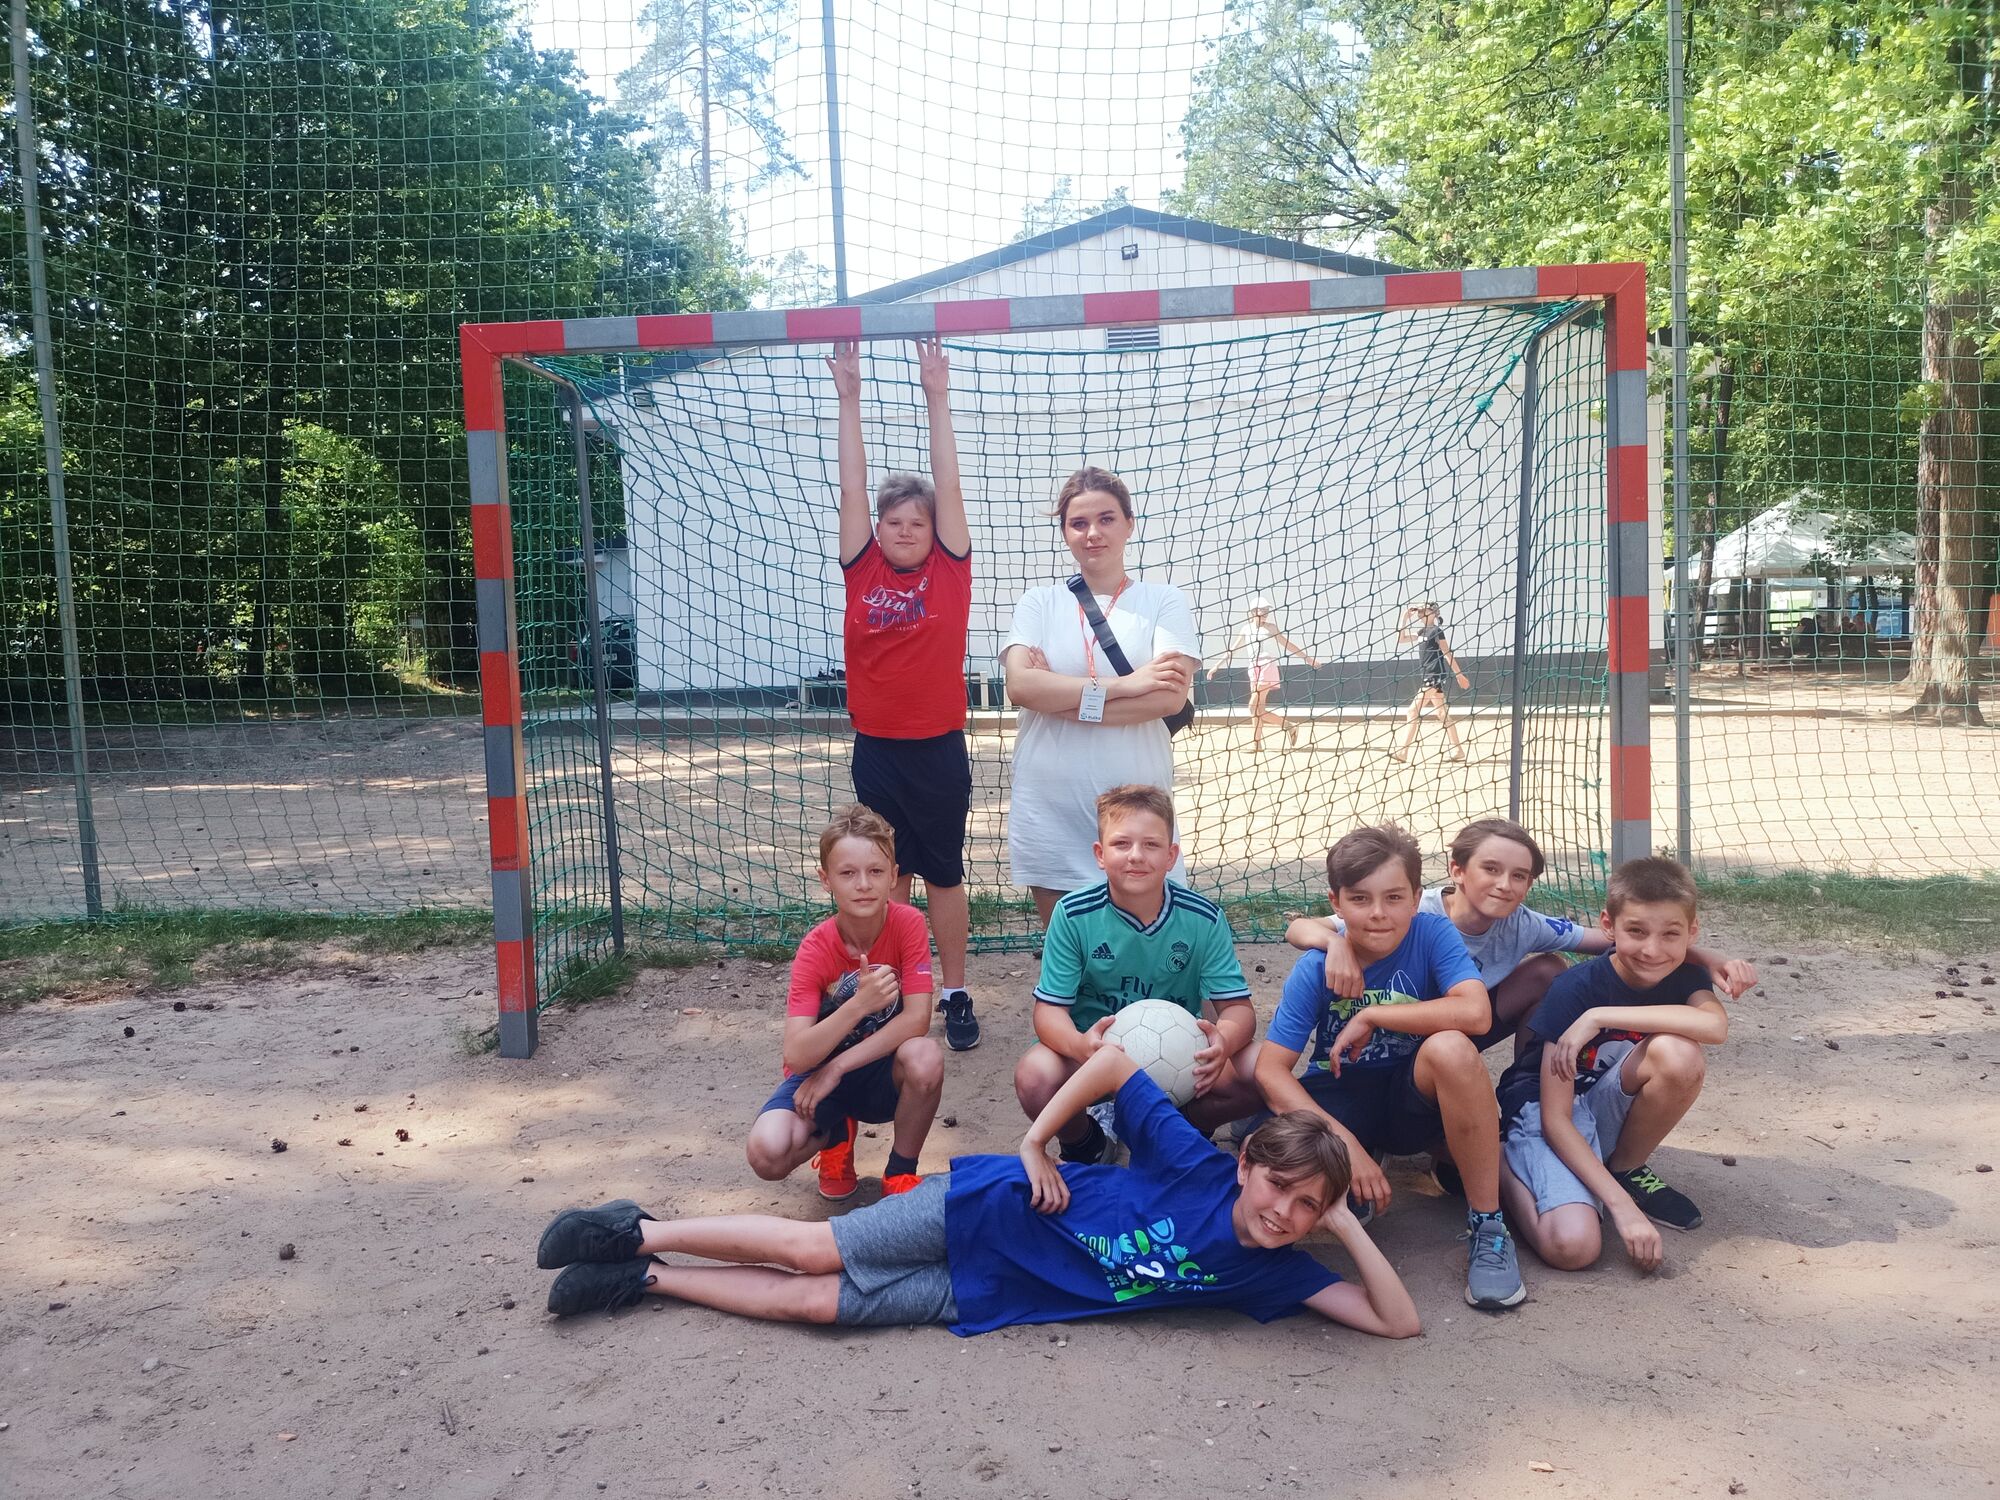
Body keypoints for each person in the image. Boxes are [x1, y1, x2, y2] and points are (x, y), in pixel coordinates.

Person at [538, 1043, 1422, 1341]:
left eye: (1306, 1207)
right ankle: (639, 1231)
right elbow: (1113, 1062)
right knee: (813, 1250)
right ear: (1246, 1164)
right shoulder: (1193, 1164)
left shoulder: (1275, 1270)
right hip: (989, 1206)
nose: (1284, 1214)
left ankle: (647, 1281)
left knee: (818, 1308)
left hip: (993, 1289)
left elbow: (1397, 1323)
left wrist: (1344, 1224)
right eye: (1280, 1188)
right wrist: (1036, 1142)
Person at [1255, 823, 1528, 1311]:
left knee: (1452, 1047)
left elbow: (1476, 1013)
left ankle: (1488, 1227)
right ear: (1336, 903)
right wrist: (1346, 1145)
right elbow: (1270, 1071)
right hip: (1342, 1094)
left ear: (1417, 898)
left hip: (1410, 1094)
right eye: (1360, 899)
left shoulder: (1432, 933)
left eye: (1395, 898)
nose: (1379, 913)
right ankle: (1360, 1163)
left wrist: (1374, 1014)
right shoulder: (1317, 966)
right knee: (1280, 1174)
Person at [1285, 817, 1757, 1057]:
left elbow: (1614, 938)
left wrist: (1703, 955)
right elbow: (1298, 928)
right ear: (1457, 871)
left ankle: (1528, 1083)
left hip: (1458, 1031)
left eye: (1519, 876)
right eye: (1491, 869)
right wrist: (1336, 942)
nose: (1504, 885)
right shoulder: (1408, 909)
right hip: (1389, 1033)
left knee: (1548, 970)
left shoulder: (1522, 923)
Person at [827, 338, 980, 1051]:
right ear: (879, 530)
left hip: (939, 749)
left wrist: (936, 396)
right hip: (879, 750)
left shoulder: (949, 569)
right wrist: (849, 398)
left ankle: (954, 992)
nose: (908, 530)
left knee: (943, 874)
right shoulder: (863, 569)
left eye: (918, 522)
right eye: (896, 522)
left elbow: (949, 485)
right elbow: (852, 489)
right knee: (889, 878)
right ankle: (890, 992)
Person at [1496, 857, 1731, 1272]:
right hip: (1551, 1111)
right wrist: (1622, 1209)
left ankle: (1626, 1168)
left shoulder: (1684, 975)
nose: (1652, 950)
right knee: (1574, 1248)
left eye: (1670, 934)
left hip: (1603, 1103)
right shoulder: (1574, 988)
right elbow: (1556, 1119)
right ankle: (1500, 1162)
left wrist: (1600, 1016)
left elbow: (1714, 1026)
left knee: (1680, 1053)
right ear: (1609, 925)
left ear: (1692, 932)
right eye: (1636, 931)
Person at [1015, 785, 1265, 1164]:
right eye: (1121, 844)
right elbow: (1048, 1012)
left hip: (1180, 1062)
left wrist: (1223, 1044)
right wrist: (1081, 1046)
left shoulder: (1203, 918)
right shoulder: (1073, 914)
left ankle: (1181, 1130)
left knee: (1263, 1066)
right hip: (1093, 1057)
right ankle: (1087, 1144)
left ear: (1171, 856)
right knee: (1035, 1075)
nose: (1136, 855)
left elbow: (1238, 1011)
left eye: (1151, 845)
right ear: (1100, 854)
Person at [1001, 466, 1199, 926]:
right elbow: (1021, 687)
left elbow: (1168, 700)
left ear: (1129, 524)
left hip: (1138, 808)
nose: (1093, 533)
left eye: (1106, 519)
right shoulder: (1039, 603)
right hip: (1052, 803)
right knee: (1066, 952)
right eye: (1078, 523)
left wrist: (1062, 699)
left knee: (1146, 945)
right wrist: (1125, 686)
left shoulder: (1164, 601)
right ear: (1065, 532)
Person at [744, 805, 944, 1202]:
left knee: (925, 1057)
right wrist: (858, 1005)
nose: (863, 884)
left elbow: (917, 1019)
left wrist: (838, 1067)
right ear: (826, 880)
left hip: (877, 1068)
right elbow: (797, 1055)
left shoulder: (908, 924)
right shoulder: (815, 948)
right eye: (848, 873)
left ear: (893, 876)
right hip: (817, 1077)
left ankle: (900, 1172)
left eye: (875, 871)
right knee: (766, 1153)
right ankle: (835, 1135)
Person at [1206, 598, 1320, 750]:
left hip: (1267, 666)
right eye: (1262, 610)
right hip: (1253, 668)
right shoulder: (1246, 629)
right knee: (1258, 710)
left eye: (1267, 610)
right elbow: (1232, 650)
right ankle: (1261, 741)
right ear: (1253, 612)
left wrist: (1308, 659)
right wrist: (1216, 666)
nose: (1266, 613)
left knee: (1252, 707)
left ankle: (1285, 727)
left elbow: (1288, 644)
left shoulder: (1271, 628)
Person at [1393, 602, 1469, 763]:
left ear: (1434, 613)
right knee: (1442, 713)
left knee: (1412, 711)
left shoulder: (1436, 631)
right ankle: (1458, 750)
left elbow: (1447, 653)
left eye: (1423, 610)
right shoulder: (1421, 632)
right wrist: (1404, 618)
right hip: (1428, 675)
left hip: (1435, 675)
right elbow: (1401, 639)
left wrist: (1459, 674)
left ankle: (1403, 752)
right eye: (1419, 611)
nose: (1420, 613)